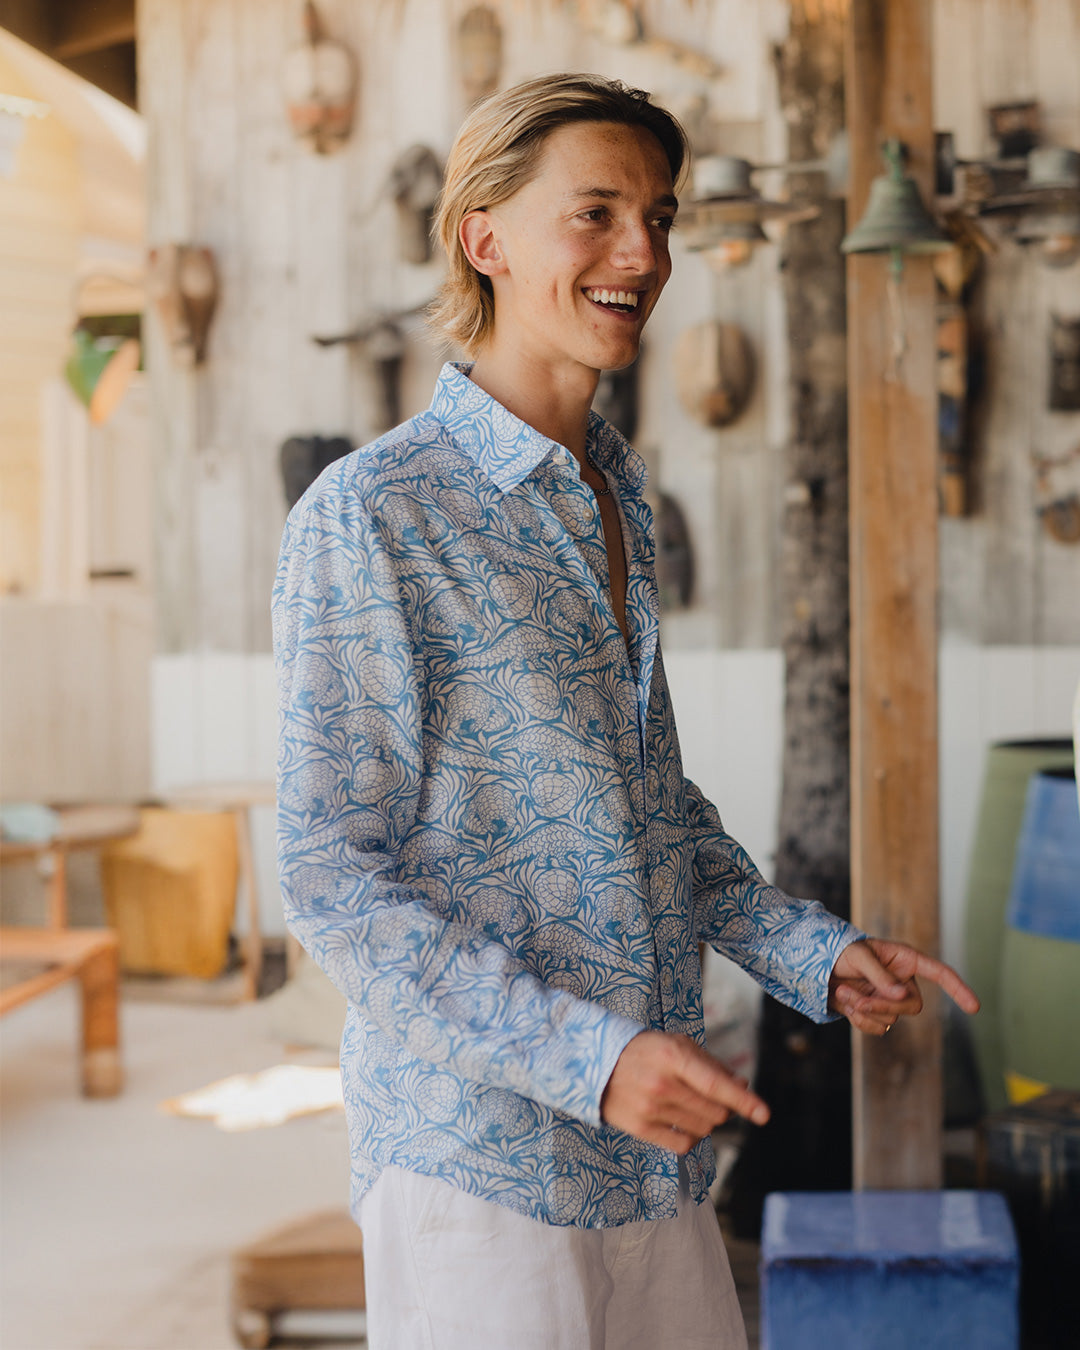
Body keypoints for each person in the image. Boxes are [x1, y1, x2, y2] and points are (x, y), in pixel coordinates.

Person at [273, 72, 979, 1350]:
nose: (643, 253)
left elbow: (650, 816)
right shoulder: (372, 515)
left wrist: (810, 953)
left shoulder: (616, 497)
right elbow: (335, 879)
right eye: (593, 212)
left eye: (658, 215)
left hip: (651, 1157)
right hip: (482, 1165)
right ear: (483, 238)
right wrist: (585, 1061)